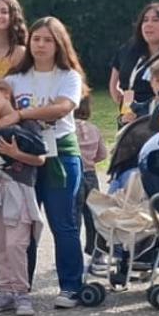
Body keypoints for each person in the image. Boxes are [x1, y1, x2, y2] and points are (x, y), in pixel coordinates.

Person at [3, 17, 87, 309]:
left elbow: (63, 107)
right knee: (23, 224)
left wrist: (22, 115)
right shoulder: (15, 78)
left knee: (63, 223)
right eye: (36, 39)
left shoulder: (69, 76)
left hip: (61, 154)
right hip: (23, 156)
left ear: (59, 44)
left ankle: (71, 286)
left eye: (48, 40)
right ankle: (19, 285)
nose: (40, 45)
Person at [0, 78, 46, 316]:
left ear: (6, 93)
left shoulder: (27, 122)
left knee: (17, 243)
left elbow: (40, 158)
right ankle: (5, 289)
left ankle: (21, 292)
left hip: (20, 189)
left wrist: (16, 153)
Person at [74, 95, 108, 272]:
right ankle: (97, 253)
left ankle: (73, 254)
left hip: (74, 173)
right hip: (91, 174)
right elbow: (103, 154)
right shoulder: (94, 128)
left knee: (74, 215)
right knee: (93, 215)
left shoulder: (67, 129)